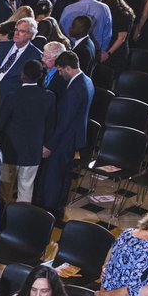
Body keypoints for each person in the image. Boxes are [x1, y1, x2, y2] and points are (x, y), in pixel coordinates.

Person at [35, 50, 93, 219]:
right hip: (73, 137)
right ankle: (58, 207)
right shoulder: (86, 80)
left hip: (65, 139)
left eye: (60, 70)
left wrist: (49, 145)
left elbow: (64, 121)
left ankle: (47, 212)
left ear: (68, 68)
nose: (59, 74)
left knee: (54, 177)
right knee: (63, 176)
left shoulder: (76, 88)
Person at [0, 60, 55, 204]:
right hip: (33, 151)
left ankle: (2, 220)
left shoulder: (13, 96)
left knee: (4, 190)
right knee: (26, 189)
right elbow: (50, 126)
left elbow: (0, 124)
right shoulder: (48, 97)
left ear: (23, 75)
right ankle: (21, 222)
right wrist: (47, 145)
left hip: (9, 151)